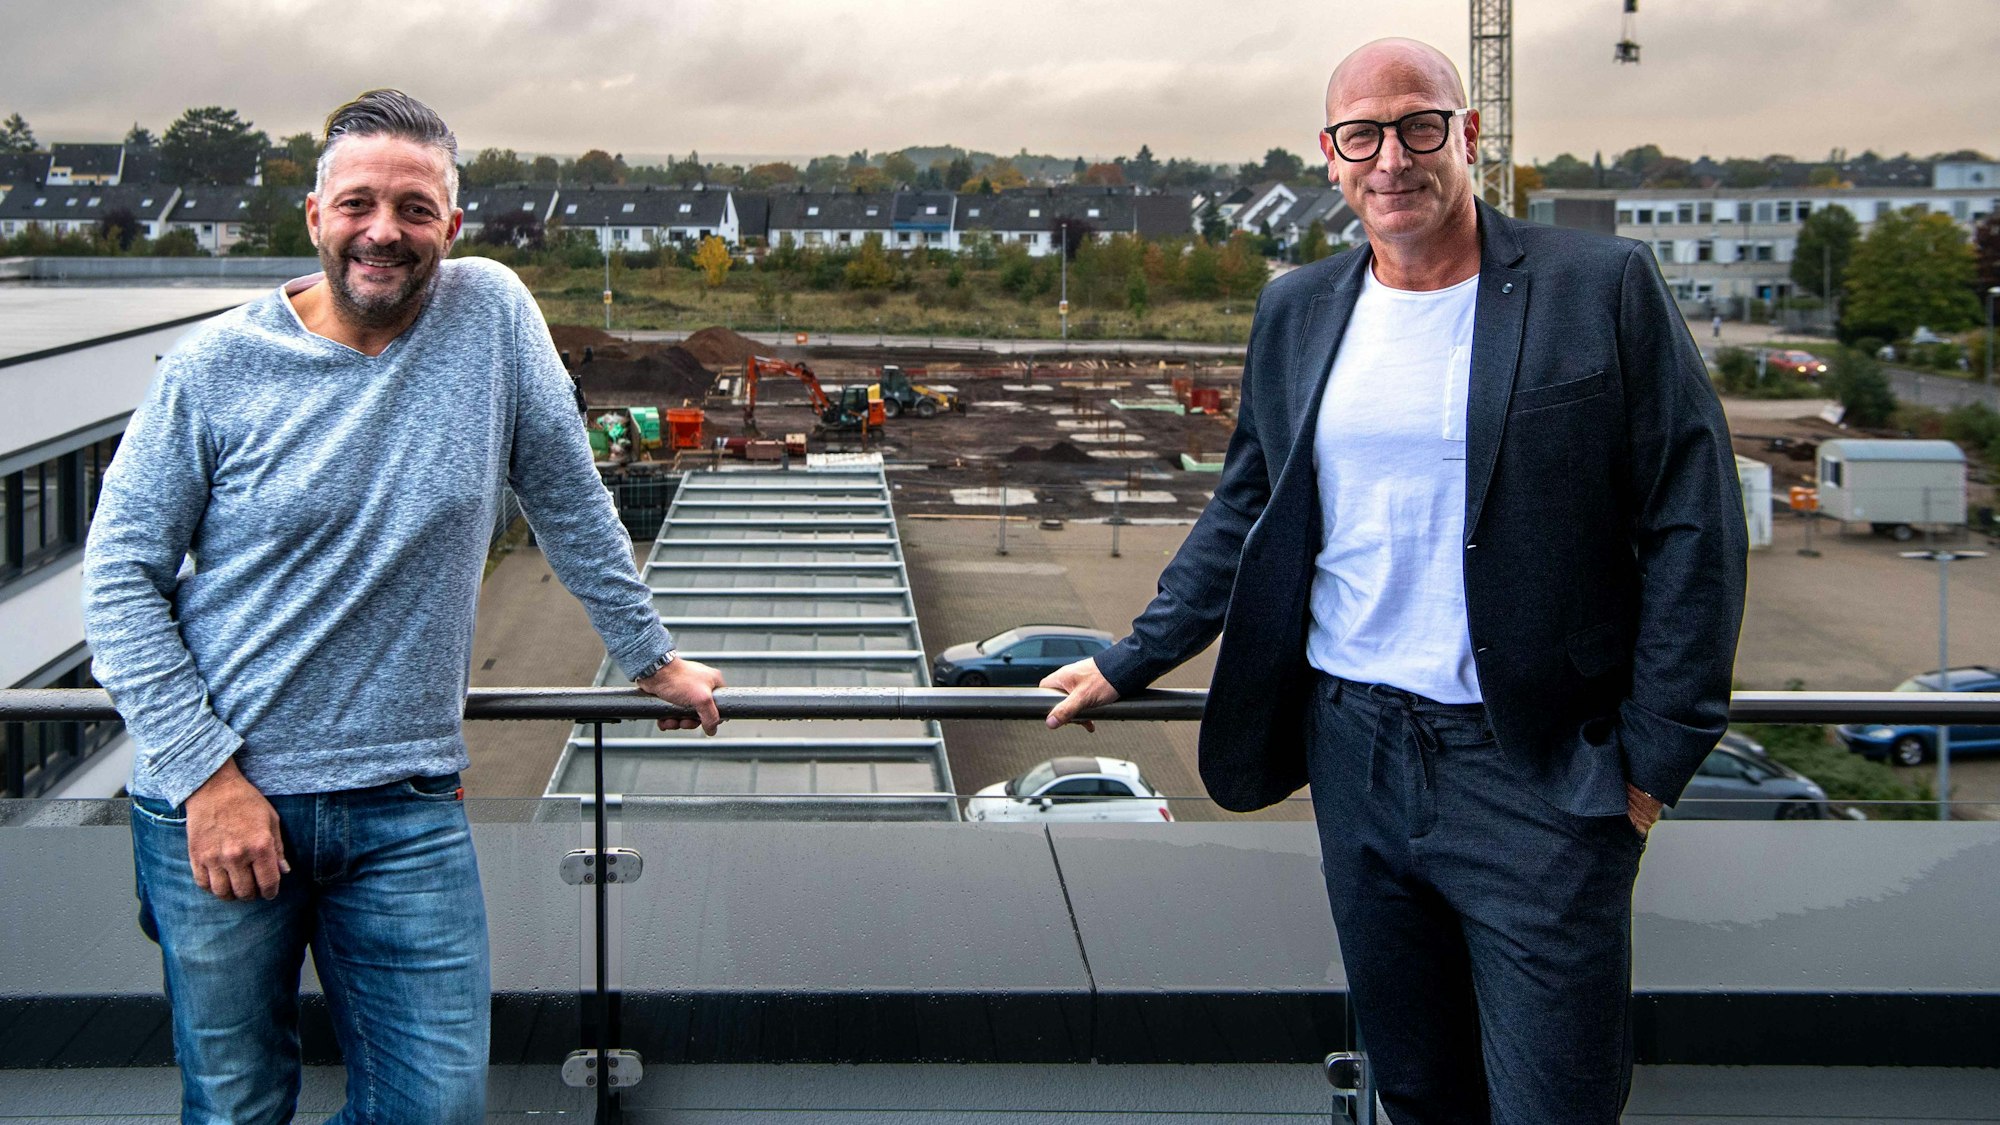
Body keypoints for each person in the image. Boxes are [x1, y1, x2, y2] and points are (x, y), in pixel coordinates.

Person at [1042, 38, 1745, 1124]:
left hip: (1535, 772)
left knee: (1553, 1104)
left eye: (1418, 126)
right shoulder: (1297, 308)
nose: (1391, 158)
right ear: (1328, 158)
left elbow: (1691, 519)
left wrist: (1649, 765)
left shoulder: (1594, 287)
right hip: (1354, 749)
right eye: (1360, 135)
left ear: (1465, 135)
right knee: (1414, 1091)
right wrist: (1133, 657)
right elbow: (1247, 506)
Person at [82, 89, 724, 1124]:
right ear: (315, 217)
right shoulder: (212, 369)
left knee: (433, 1108)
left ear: (450, 229)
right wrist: (210, 778)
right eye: (359, 204)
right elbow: (117, 580)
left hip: (404, 806)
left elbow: (565, 493)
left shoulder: (492, 315)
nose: (385, 231)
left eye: (414, 209)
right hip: (222, 801)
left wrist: (650, 660)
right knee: (238, 1107)